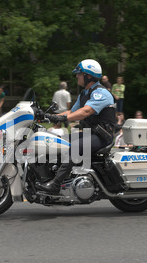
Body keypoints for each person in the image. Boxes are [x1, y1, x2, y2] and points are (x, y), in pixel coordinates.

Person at [35, 59, 115, 194]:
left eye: (79, 74)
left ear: (88, 76)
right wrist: (47, 116)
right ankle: (54, 175)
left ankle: (55, 185)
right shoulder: (84, 94)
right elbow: (72, 112)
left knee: (76, 147)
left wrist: (62, 117)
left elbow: (86, 111)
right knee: (60, 141)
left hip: (102, 136)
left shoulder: (100, 93)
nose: (77, 76)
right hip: (91, 133)